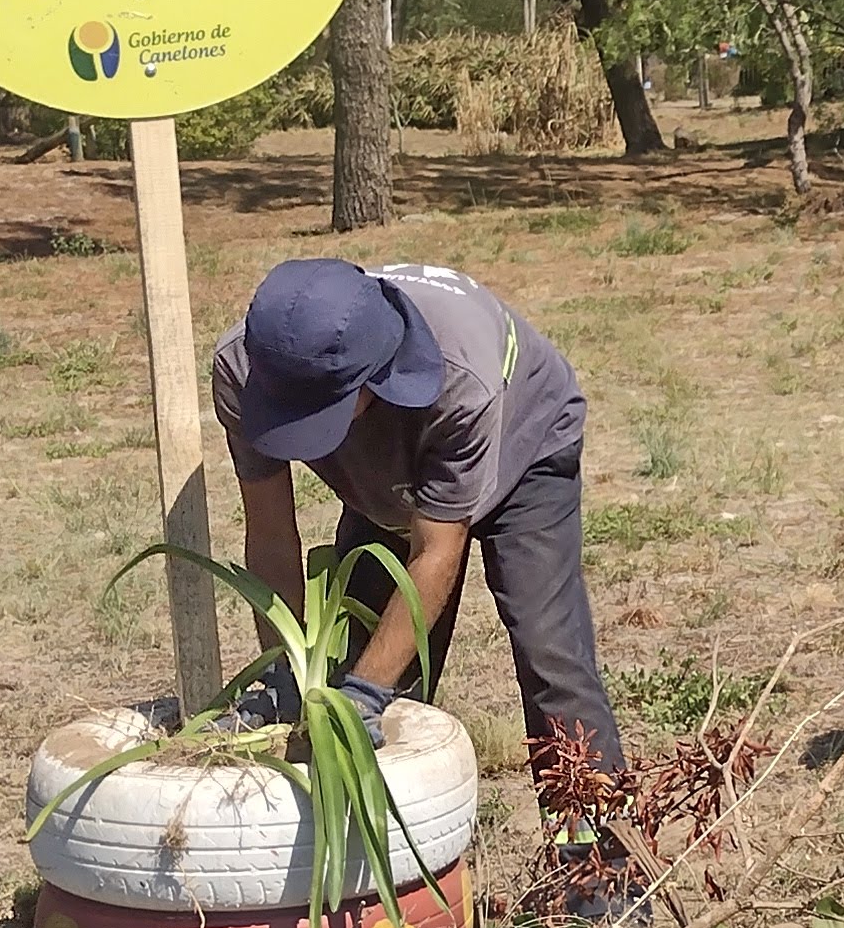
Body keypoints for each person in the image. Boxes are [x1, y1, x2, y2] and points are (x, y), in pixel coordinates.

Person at [212, 256, 628, 789]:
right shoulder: (250, 372)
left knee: (550, 655)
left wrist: (365, 693)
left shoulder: (462, 381)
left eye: (317, 418)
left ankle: (591, 857)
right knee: (360, 666)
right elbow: (270, 533)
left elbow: (436, 550)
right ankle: (376, 853)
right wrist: (286, 667)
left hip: (525, 448)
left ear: (376, 379)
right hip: (390, 474)